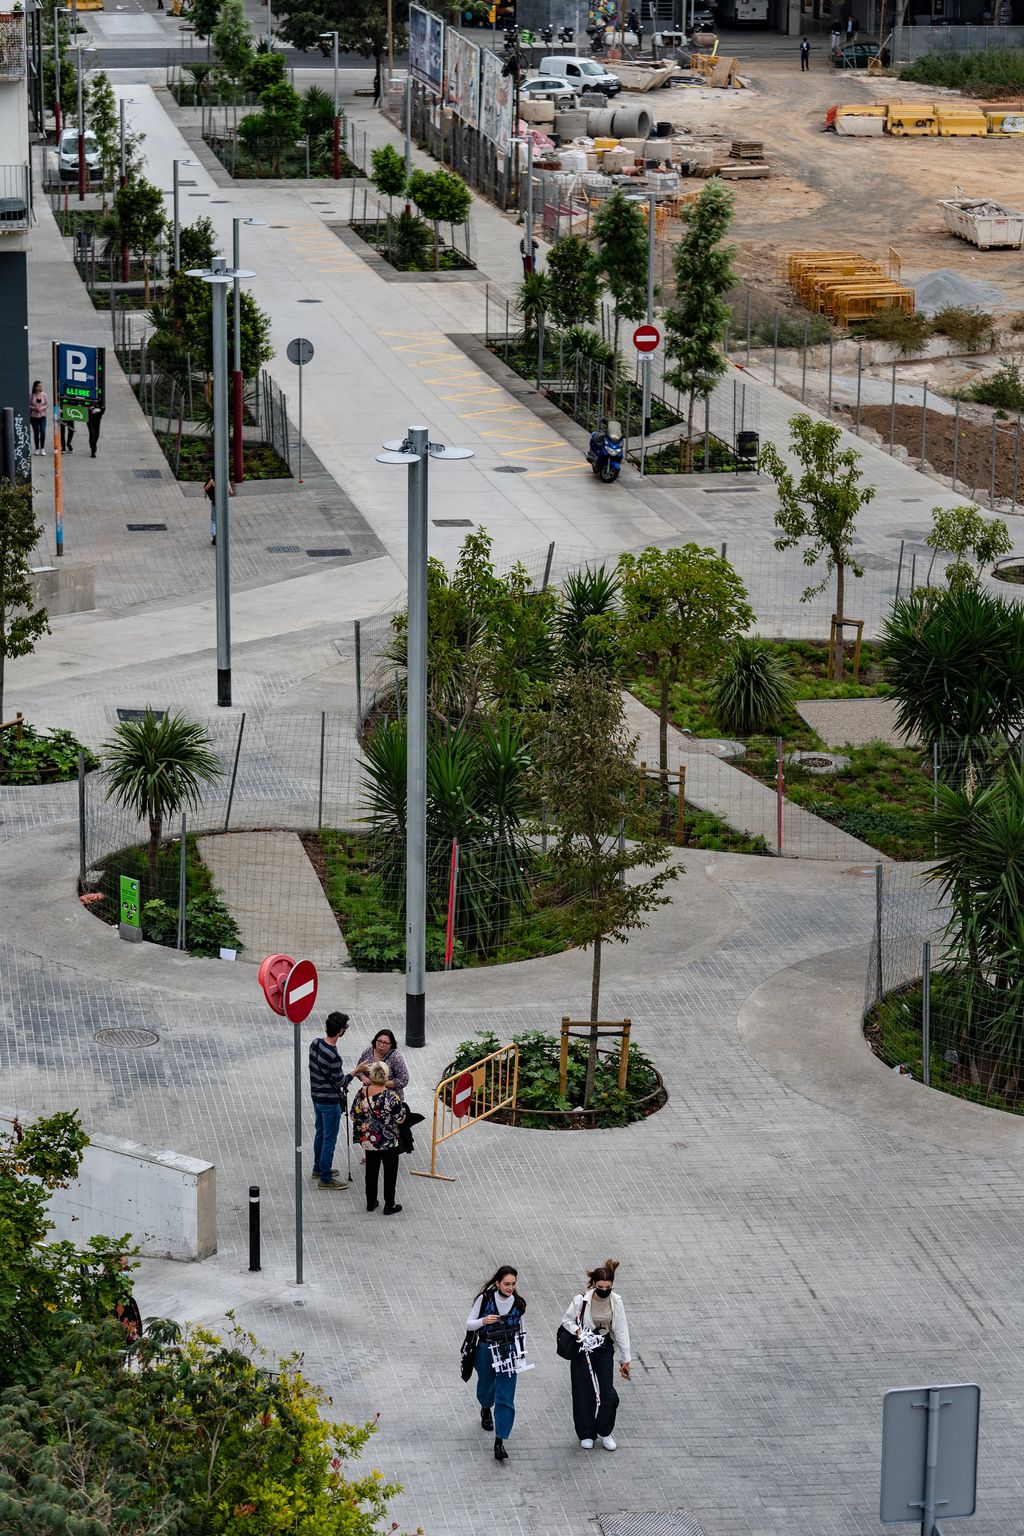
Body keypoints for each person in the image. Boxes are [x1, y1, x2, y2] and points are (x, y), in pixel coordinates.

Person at [561, 1258, 631, 1452]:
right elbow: (567, 1320)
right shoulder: (580, 1300)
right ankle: (586, 1433)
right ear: (594, 1284)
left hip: (604, 1347)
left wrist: (626, 1359)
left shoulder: (616, 1302)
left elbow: (622, 1330)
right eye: (600, 1286)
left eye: (608, 1287)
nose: (604, 1290)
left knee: (608, 1393)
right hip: (583, 1348)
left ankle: (605, 1431)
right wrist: (578, 1331)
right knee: (584, 1392)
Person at [466, 1265, 528, 1463]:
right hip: (485, 1348)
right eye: (506, 1284)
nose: (510, 1287)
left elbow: (521, 1330)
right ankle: (486, 1406)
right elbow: (469, 1324)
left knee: (506, 1397)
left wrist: (521, 1356)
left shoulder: (518, 1304)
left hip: (509, 1351)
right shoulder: (485, 1299)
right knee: (486, 1384)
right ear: (498, 1283)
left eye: (513, 1284)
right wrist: (483, 1320)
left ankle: (500, 1440)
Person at [351, 1062, 407, 1213]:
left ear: (371, 1075)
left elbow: (352, 1115)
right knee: (390, 1172)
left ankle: (370, 1202)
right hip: (389, 1141)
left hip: (369, 1140)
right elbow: (400, 1118)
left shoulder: (361, 1092)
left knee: (371, 1171)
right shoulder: (390, 1096)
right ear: (386, 1076)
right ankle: (389, 1205)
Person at [309, 1011, 350, 1189]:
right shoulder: (333, 1056)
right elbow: (341, 1081)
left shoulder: (315, 1044)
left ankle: (318, 1168)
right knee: (329, 1140)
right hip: (330, 1102)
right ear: (340, 1031)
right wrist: (355, 1072)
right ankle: (325, 1178)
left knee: (320, 1133)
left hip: (316, 1096)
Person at [353, 1027, 409, 1096]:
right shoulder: (368, 1052)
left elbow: (403, 1080)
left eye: (385, 1043)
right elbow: (359, 1069)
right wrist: (363, 1077)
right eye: (379, 1041)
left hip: (389, 1098)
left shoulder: (396, 1057)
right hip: (369, 1095)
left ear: (391, 1045)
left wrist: (380, 1083)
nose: (381, 1045)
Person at [203, 470, 235, 546]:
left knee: (214, 520)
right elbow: (231, 493)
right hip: (224, 503)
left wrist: (211, 482)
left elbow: (205, 489)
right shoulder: (226, 480)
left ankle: (214, 535)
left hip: (215, 502)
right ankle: (222, 536)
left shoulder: (211, 480)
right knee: (223, 520)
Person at [29, 381, 48, 455]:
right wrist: (34, 408)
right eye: (39, 386)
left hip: (42, 416)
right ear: (35, 387)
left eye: (41, 386)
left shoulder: (44, 394)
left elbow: (47, 404)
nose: (40, 387)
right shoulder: (31, 395)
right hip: (34, 417)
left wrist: (42, 408)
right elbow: (28, 405)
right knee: (36, 433)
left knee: (42, 432)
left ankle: (42, 448)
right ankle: (37, 448)